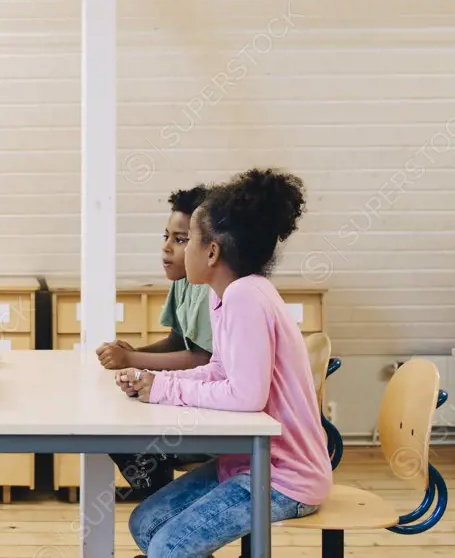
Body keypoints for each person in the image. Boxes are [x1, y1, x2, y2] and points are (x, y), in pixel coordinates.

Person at [117, 168, 331, 558]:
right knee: (145, 524)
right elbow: (220, 369)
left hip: (285, 477)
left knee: (169, 546)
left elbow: (247, 395)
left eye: (190, 240)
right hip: (245, 463)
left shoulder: (245, 297)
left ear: (212, 251)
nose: (180, 250)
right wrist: (155, 379)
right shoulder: (227, 295)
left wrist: (164, 388)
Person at [95, 185, 216, 501]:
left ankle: (165, 509)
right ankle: (162, 511)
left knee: (129, 439)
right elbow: (179, 341)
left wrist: (133, 361)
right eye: (166, 237)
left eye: (180, 240)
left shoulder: (207, 289)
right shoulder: (184, 281)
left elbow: (201, 358)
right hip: (192, 393)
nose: (167, 248)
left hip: (212, 410)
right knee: (116, 429)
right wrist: (132, 354)